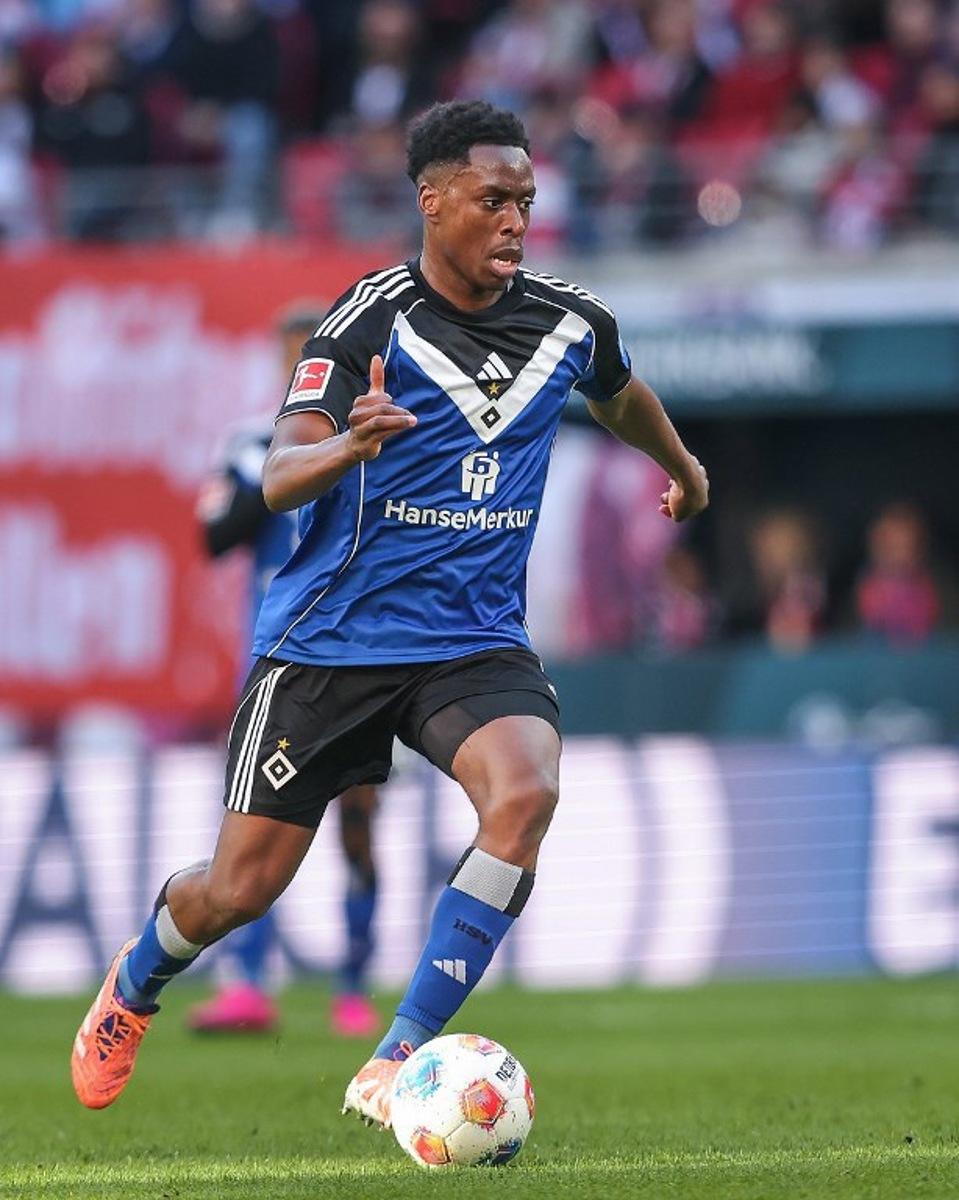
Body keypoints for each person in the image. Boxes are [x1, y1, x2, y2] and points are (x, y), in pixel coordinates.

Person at [71, 99, 709, 1125]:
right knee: (237, 891)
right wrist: (349, 445)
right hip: (333, 642)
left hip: (472, 642)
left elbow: (618, 391)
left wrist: (681, 466)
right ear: (433, 200)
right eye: (492, 201)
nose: (514, 220)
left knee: (526, 793)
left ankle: (396, 1056)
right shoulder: (366, 322)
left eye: (524, 201)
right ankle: (137, 979)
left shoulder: (570, 321)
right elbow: (279, 475)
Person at [186, 305, 380, 1037]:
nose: (301, 371)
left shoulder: (368, 437)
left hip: (360, 656)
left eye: (311, 358)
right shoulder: (254, 443)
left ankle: (353, 987)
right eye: (291, 358)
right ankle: (247, 985)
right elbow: (214, 535)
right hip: (275, 663)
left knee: (358, 823)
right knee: (256, 830)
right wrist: (259, 471)